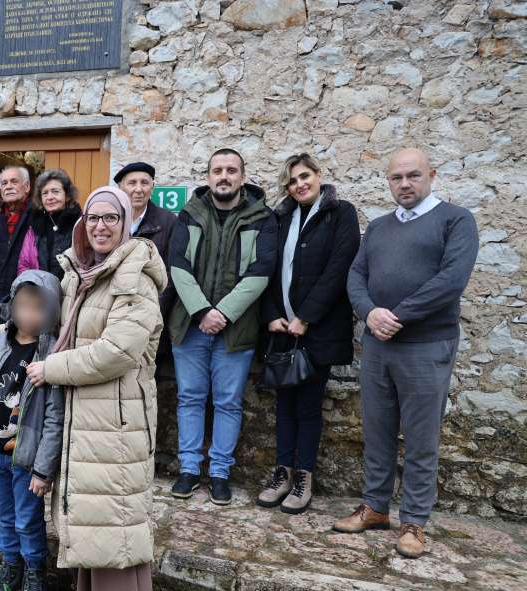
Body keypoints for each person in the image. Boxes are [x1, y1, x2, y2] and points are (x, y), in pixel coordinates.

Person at [34, 186, 165, 591]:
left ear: (127, 223)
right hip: (83, 418)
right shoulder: (81, 275)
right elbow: (51, 328)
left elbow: (117, 353)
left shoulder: (136, 279)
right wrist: (1, 338)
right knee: (88, 525)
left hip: (116, 421)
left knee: (116, 530)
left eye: (112, 218)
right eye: (94, 218)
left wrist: (51, 370)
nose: (101, 226)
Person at [333, 148, 478, 559]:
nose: (405, 184)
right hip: (379, 346)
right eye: (397, 178)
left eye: (413, 176)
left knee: (420, 438)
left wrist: (396, 314)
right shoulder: (379, 228)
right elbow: (356, 276)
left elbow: (452, 280)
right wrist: (368, 312)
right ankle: (375, 508)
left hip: (426, 345)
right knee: (376, 431)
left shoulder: (456, 220)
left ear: (431, 175)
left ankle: (414, 521)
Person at [167, 149, 277, 504]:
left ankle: (219, 474)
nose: (224, 176)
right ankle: (188, 469)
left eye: (231, 170)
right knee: (190, 398)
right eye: (218, 170)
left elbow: (261, 272)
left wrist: (223, 314)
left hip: (236, 330)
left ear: (242, 177)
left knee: (229, 402)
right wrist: (201, 311)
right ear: (209, 176)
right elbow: (178, 266)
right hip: (190, 326)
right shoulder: (189, 214)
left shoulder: (262, 218)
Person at [257, 153, 360, 514]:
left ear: (319, 176)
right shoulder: (281, 217)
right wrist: (271, 315)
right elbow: (267, 269)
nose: (299, 184)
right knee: (284, 405)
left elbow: (338, 269)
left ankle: (303, 477)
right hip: (283, 330)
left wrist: (306, 317)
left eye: (304, 176)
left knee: (308, 406)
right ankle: (281, 472)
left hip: (317, 331)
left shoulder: (340, 213)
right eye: (292, 181)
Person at [0, 269, 64, 591]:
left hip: (27, 457)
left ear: (52, 311)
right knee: (4, 515)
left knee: (27, 518)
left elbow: (55, 417)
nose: (29, 315)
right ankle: (11, 566)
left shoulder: (51, 357)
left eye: (38, 308)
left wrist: (44, 468)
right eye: (22, 306)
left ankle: (36, 570)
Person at [116, 161, 180, 379]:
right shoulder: (111, 219)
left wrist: (151, 317)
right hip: (113, 320)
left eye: (145, 183)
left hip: (151, 322)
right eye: (131, 183)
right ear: (121, 187)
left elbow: (171, 278)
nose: (138, 188)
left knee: (145, 384)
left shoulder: (168, 222)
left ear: (152, 187)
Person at [0, 166, 35, 321]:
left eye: (14, 181)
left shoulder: (37, 217)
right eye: (4, 183)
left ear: (26, 186)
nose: (8, 186)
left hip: (29, 298)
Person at [30, 168, 81, 280]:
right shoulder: (36, 223)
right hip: (42, 289)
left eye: (55, 191)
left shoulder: (80, 222)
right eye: (45, 193)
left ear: (67, 195)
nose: (50, 197)